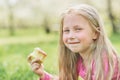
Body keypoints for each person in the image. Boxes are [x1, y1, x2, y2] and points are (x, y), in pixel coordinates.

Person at [30, 4, 120, 80]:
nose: (70, 36)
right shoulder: (77, 58)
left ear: (95, 33)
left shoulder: (104, 60)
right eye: (66, 30)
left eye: (78, 29)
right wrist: (42, 74)